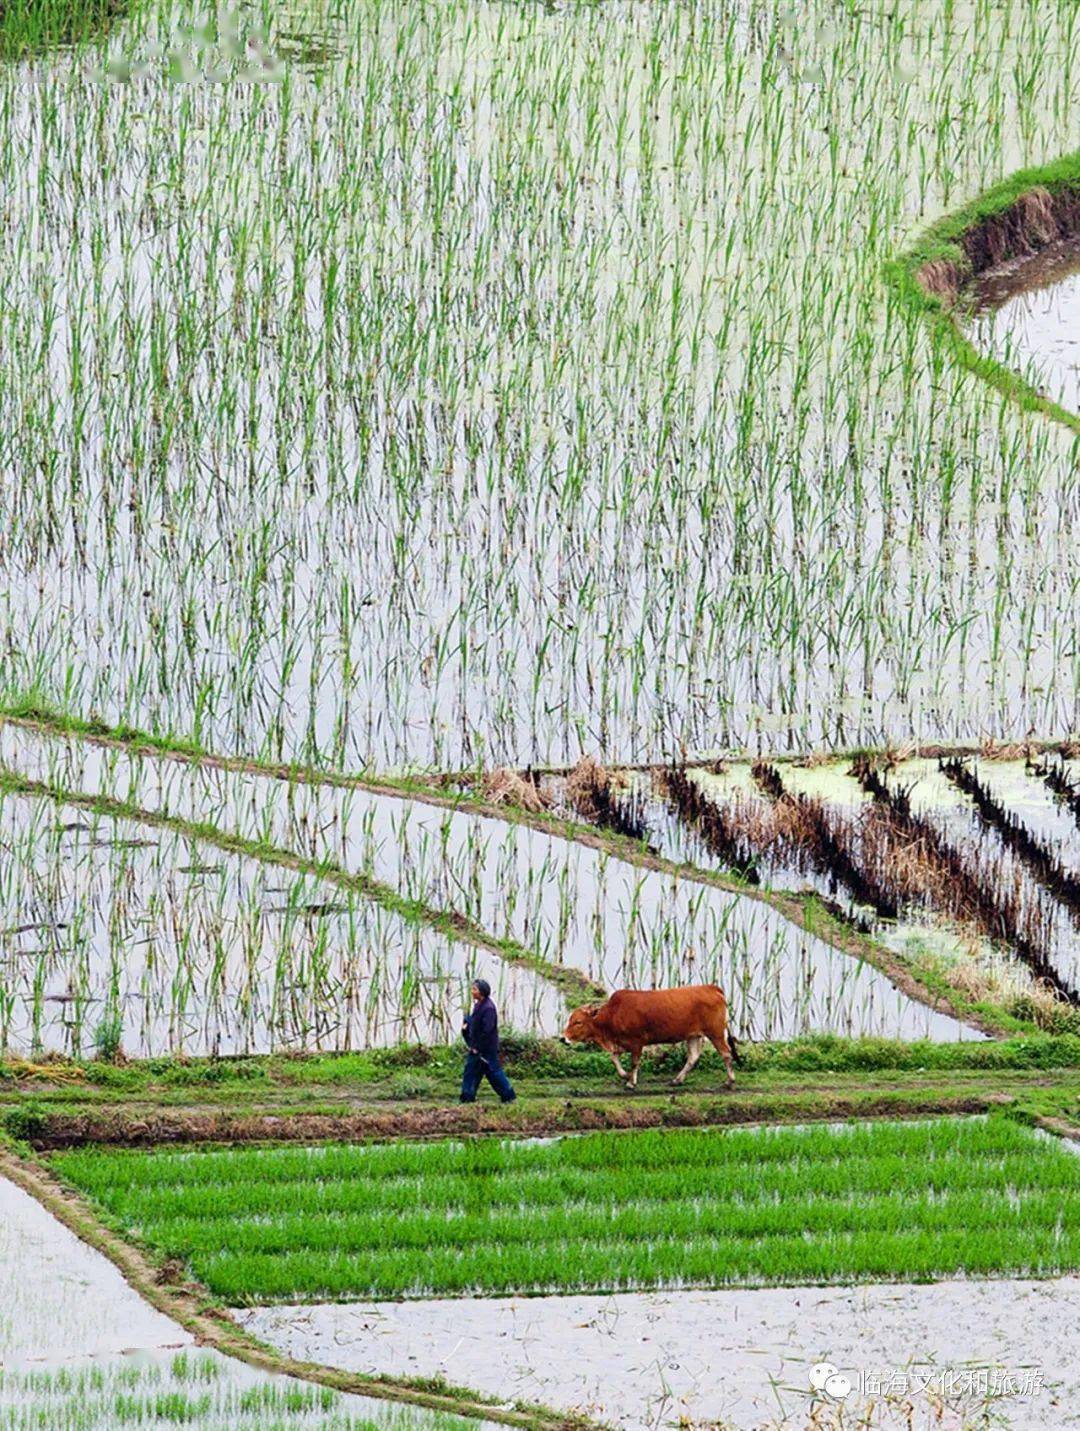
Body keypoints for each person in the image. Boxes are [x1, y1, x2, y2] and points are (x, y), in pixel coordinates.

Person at [460, 978, 516, 1104]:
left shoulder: (488, 1008)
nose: (472, 991)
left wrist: (477, 1047)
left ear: (482, 992)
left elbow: (487, 1031)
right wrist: (467, 1023)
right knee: (474, 1071)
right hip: (478, 1046)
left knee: (491, 1073)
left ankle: (508, 1096)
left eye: (474, 989)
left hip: (485, 1048)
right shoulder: (479, 1005)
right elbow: (475, 1022)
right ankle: (468, 1097)